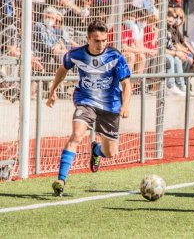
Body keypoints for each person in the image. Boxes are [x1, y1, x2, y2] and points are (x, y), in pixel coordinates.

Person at [47, 20, 132, 196]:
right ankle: (61, 180)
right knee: (76, 135)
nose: (100, 44)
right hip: (85, 101)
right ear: (88, 39)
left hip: (110, 107)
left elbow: (127, 85)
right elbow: (62, 69)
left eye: (103, 40)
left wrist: (125, 106)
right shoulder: (76, 54)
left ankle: (96, 150)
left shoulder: (115, 56)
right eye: (96, 40)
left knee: (110, 153)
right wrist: (53, 90)